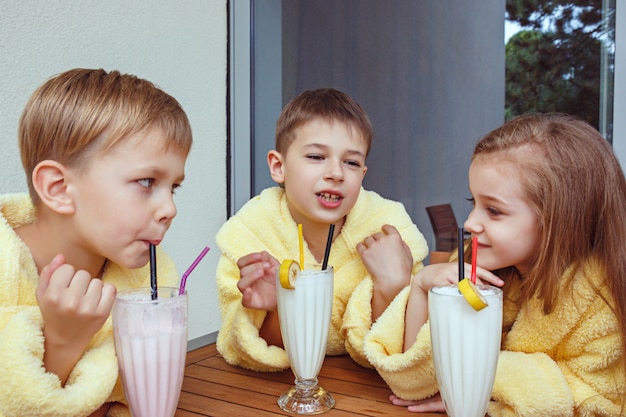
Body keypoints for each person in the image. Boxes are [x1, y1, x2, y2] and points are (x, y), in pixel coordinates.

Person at [362, 113, 626, 416]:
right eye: (472, 202)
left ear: (561, 219)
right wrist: (422, 287)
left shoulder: (601, 300)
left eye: (494, 210)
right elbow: (412, 382)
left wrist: (481, 389)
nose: (471, 222)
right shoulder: (469, 266)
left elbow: (597, 403)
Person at [0, 68, 192, 417]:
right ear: (59, 189)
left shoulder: (152, 276)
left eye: (174, 187)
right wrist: (62, 342)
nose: (170, 209)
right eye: (147, 181)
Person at [215, 88, 428, 371]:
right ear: (279, 166)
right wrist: (279, 308)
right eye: (316, 157)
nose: (336, 173)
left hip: (367, 391)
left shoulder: (388, 232)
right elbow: (246, 349)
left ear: (362, 174)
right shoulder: (252, 234)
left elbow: (409, 351)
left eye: (351, 162)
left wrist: (392, 287)